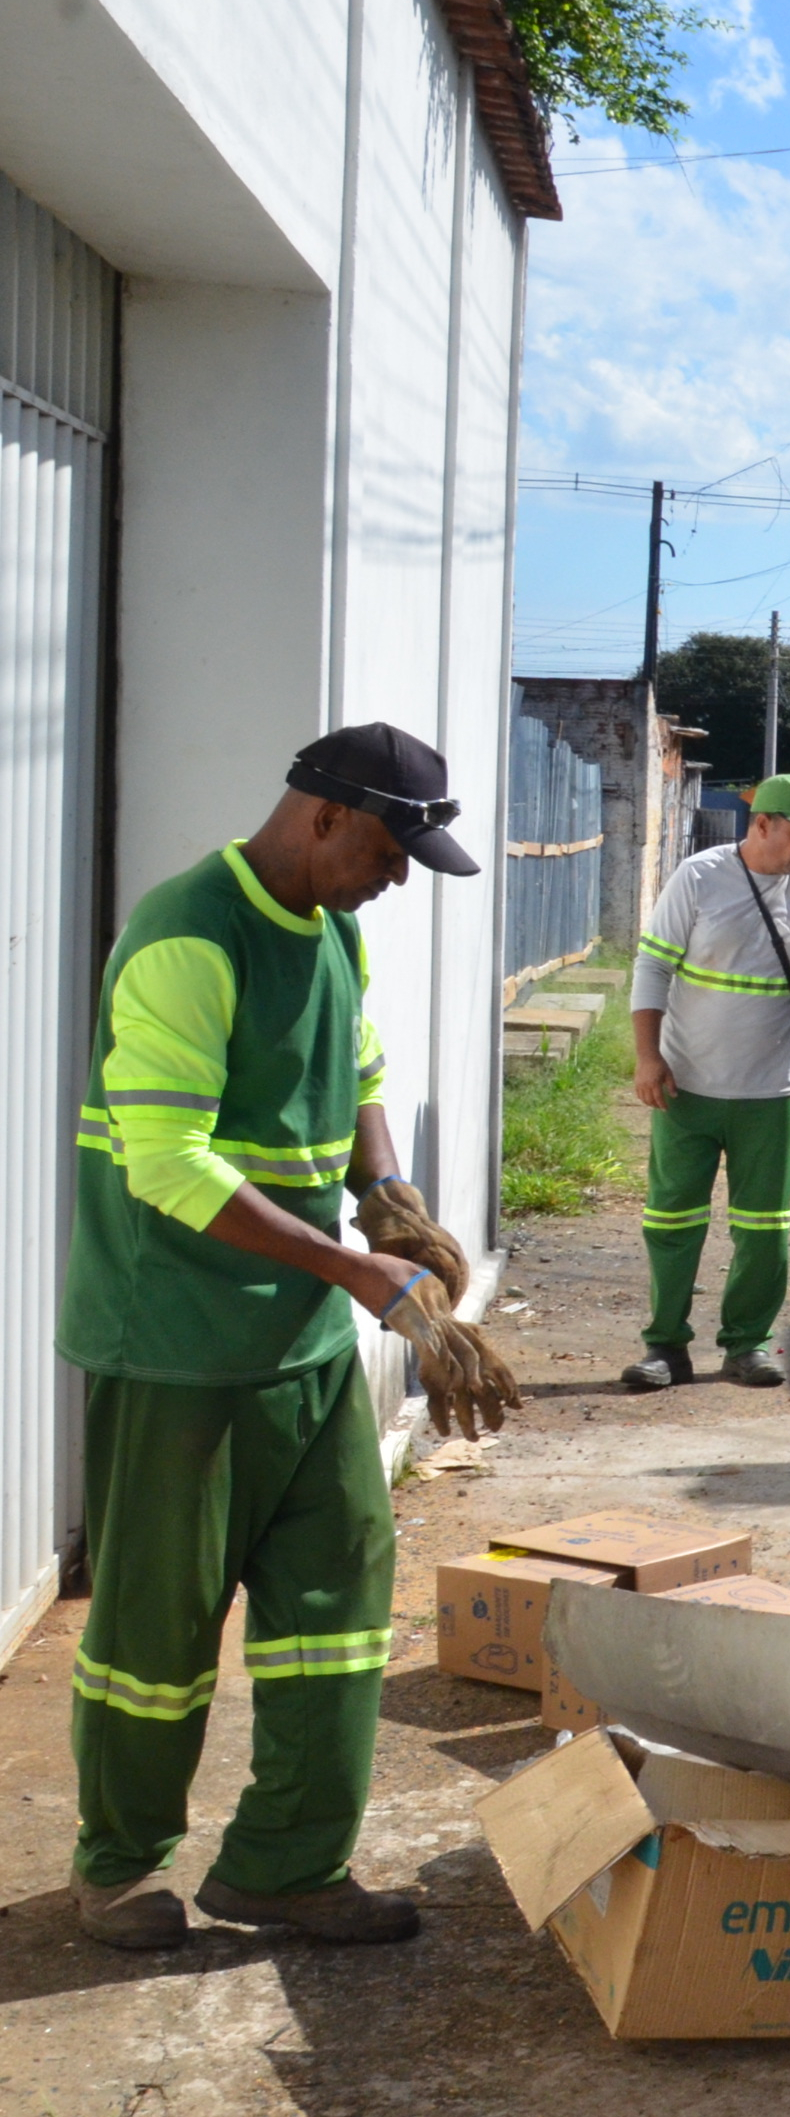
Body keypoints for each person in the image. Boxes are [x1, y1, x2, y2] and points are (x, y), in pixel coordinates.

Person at [65, 725, 495, 1949]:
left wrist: (392, 1197)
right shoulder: (189, 935)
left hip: (298, 1348)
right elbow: (167, 1160)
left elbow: (359, 1072)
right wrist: (357, 1271)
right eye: (388, 850)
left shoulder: (331, 927)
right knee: (158, 1621)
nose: (399, 877)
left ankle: (287, 1865)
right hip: (177, 1345)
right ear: (319, 816)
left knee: (340, 1593)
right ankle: (118, 1867)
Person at [624, 774, 790, 1391]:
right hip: (686, 1087)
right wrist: (648, 1059)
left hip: (768, 1093)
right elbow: (652, 968)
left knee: (764, 1228)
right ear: (761, 825)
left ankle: (746, 1346)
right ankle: (664, 1347)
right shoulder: (699, 876)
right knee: (671, 1222)